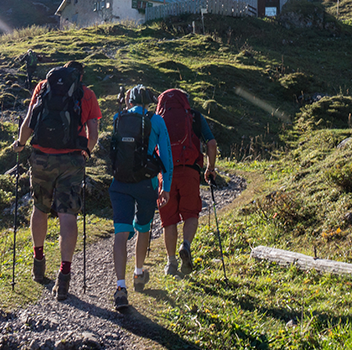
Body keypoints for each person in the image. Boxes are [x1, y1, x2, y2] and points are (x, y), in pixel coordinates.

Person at [12, 60, 100, 301]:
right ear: (80, 76)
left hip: (41, 157)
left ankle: (38, 262)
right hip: (71, 160)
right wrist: (86, 152)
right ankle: (64, 276)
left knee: (39, 207)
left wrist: (20, 144)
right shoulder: (88, 94)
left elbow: (30, 121)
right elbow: (93, 133)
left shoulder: (43, 86)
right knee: (67, 215)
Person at [109, 85, 173, 311]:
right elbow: (166, 155)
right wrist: (166, 186)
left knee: (121, 231)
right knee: (143, 227)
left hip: (120, 183)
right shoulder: (156, 121)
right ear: (148, 101)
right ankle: (138, 273)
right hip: (146, 183)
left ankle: (120, 287)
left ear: (130, 101)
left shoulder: (119, 117)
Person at [155, 88, 218, 276]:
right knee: (191, 213)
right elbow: (211, 143)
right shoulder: (194, 117)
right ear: (185, 101)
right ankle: (186, 244)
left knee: (169, 219)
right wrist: (210, 168)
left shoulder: (157, 119)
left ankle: (171, 263)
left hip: (165, 174)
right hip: (189, 170)